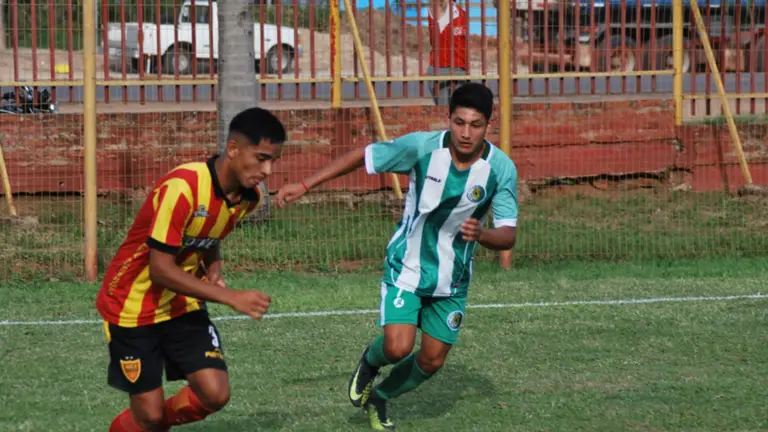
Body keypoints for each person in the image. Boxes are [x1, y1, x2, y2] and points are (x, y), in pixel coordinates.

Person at [275, 83, 518, 431]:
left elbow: (508, 233)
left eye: (475, 125)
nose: (466, 133)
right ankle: (370, 362)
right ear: (448, 119)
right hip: (408, 266)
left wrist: (483, 234)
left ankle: (381, 396)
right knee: (397, 347)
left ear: (488, 126)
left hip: (452, 280)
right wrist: (305, 185)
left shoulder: (501, 169)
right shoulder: (421, 147)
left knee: (432, 361)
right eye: (459, 122)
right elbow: (364, 156)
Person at [96, 107, 286, 431]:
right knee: (150, 416)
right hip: (131, 303)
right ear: (233, 149)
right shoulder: (183, 187)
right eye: (261, 158)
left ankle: (151, 424)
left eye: (273, 161)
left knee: (214, 394)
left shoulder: (248, 198)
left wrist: (214, 267)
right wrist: (230, 297)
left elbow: (210, 229)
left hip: (181, 301)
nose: (267, 170)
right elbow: (160, 269)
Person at [427, 0, 469, 106]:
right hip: (440, 69)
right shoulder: (436, 7)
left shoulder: (462, 14)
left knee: (459, 109)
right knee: (444, 110)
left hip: (460, 69)